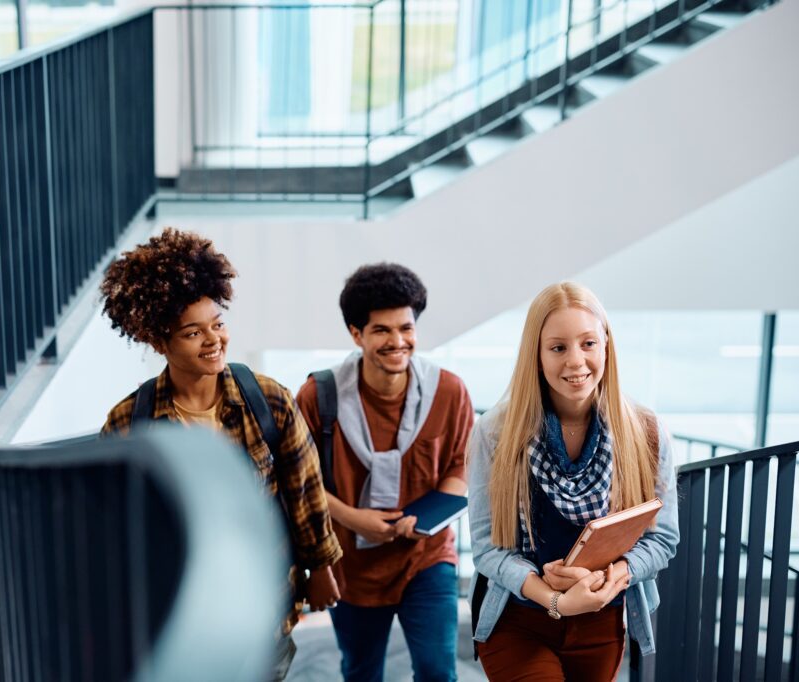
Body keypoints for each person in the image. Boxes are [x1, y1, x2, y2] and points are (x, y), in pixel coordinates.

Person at [99, 227, 343, 681]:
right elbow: (114, 524)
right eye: (193, 332)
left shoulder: (266, 400)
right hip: (174, 612)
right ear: (159, 341)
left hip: (262, 606)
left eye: (218, 323)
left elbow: (304, 491)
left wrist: (322, 566)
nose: (213, 339)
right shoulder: (128, 422)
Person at [467, 281, 680, 681]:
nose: (576, 362)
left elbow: (662, 539)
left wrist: (613, 576)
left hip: (602, 620)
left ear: (606, 346)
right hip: (518, 620)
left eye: (588, 344)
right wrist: (556, 602)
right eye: (558, 347)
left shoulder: (646, 432)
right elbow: (487, 550)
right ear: (537, 354)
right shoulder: (495, 433)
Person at [296, 263, 474, 682]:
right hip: (350, 564)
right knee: (361, 673)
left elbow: (462, 463)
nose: (398, 342)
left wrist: (429, 518)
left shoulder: (449, 391)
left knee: (437, 671)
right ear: (356, 334)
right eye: (381, 331)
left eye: (406, 328)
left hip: (426, 557)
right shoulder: (317, 397)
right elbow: (299, 481)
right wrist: (353, 518)